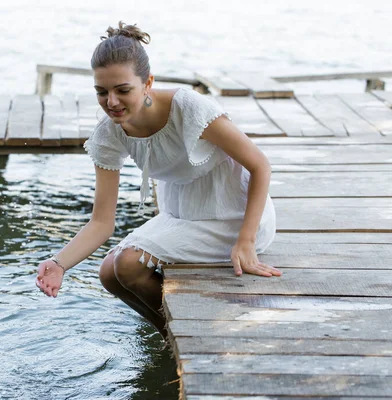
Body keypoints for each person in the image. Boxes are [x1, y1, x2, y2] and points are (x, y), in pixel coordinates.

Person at [36, 21, 281, 341]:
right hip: (183, 215)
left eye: (123, 90)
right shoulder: (109, 134)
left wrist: (246, 241)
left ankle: (191, 336)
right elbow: (101, 222)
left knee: (126, 265)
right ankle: (171, 335)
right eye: (101, 92)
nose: (111, 102)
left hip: (234, 216)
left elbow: (260, 165)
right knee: (109, 274)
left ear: (147, 83)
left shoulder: (189, 108)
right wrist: (59, 263)